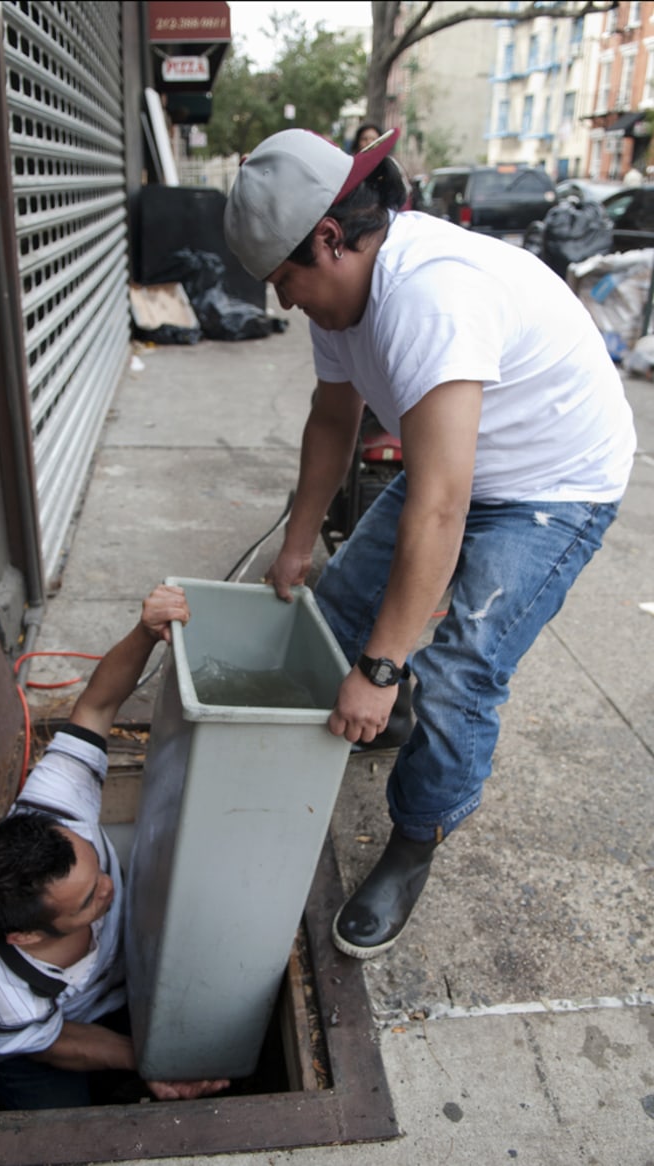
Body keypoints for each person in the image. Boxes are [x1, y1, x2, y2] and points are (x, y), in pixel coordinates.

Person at [222, 128, 637, 962]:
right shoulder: (344, 292)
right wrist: (299, 545)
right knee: (337, 607)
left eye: (284, 283)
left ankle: (417, 838)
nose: (284, 304)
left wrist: (381, 670)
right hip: (464, 464)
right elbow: (333, 418)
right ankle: (391, 708)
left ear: (330, 239)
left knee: (455, 672)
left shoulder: (430, 294)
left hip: (552, 488)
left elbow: (441, 507)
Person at [0, 584, 230, 1109]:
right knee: (61, 1128)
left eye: (95, 865)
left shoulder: (57, 805)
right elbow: (55, 1041)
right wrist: (147, 1060)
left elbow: (97, 704)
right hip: (45, 1044)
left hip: (121, 987)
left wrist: (146, 632)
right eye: (88, 900)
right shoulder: (3, 997)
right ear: (24, 937)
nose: (110, 886)